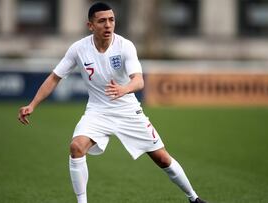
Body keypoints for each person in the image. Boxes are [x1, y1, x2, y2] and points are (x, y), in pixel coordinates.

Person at [18, 2, 207, 203]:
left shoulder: (125, 46)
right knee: (76, 147)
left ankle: (193, 198)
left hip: (128, 110)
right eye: (102, 21)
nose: (108, 25)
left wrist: (124, 89)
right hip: (97, 112)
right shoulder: (78, 49)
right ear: (90, 25)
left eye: (111, 20)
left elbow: (139, 80)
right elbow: (54, 78)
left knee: (162, 158)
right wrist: (32, 104)